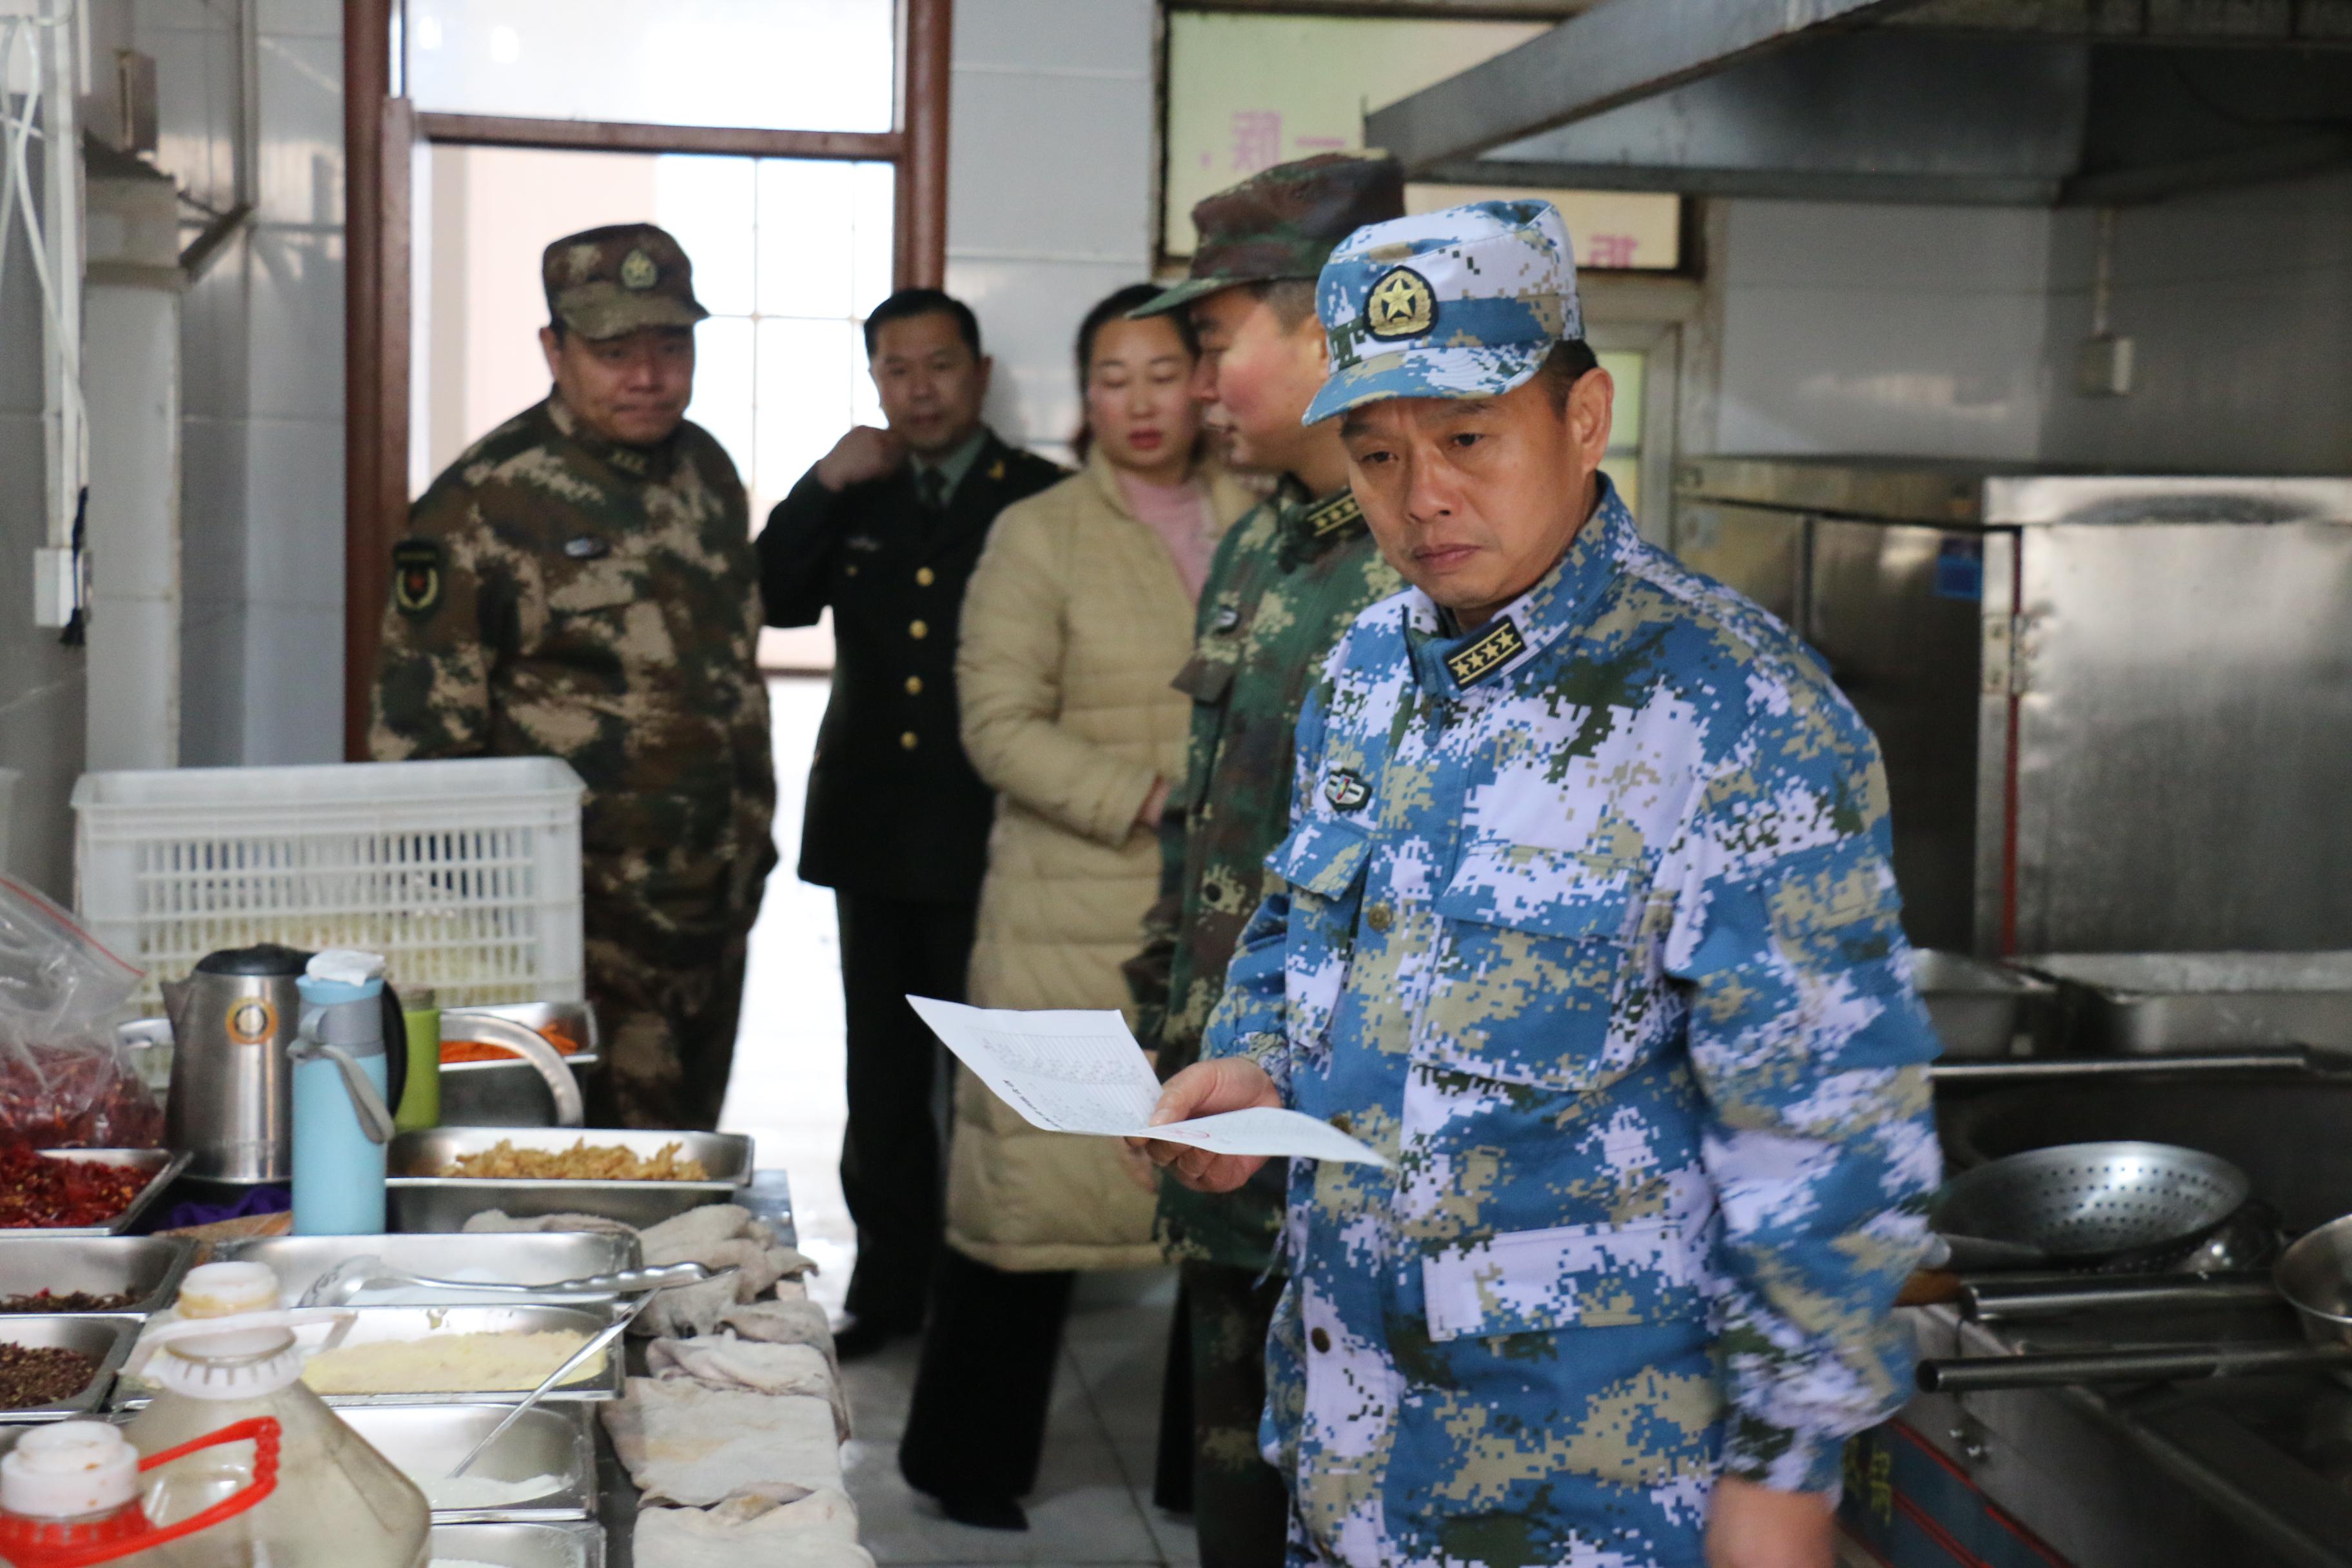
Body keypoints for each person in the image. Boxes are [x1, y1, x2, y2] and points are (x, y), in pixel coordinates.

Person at [1138, 200, 1943, 1568]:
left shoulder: (1732, 707)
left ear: (1584, 419)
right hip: (1352, 1459)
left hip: (1594, 1494)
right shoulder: (1370, 667)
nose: (1421, 496)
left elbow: (1830, 1126)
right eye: (1378, 453)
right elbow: (1295, 924)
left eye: (1468, 439)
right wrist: (1258, 1064)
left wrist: (1784, 1477)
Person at [894, 282, 1256, 1531]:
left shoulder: (1266, 520)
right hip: (1072, 905)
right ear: (1083, 396)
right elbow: (996, 724)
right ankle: (966, 1462)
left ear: (1202, 385)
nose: (1140, 404)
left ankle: (1200, 1474)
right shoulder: (1037, 532)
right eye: (1112, 379)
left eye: (1163, 374)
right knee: (1030, 1188)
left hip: (1228, 920)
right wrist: (1148, 798)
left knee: (1220, 1191)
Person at [1119, 152, 1406, 1567]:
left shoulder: (1419, 570)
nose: (1199, 386)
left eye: (1216, 341)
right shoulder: (1264, 553)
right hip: (1221, 1115)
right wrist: (1159, 1016)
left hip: (1336, 1148)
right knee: (1234, 1493)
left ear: (1325, 326)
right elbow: (1212, 827)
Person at [371, 223, 775, 1132]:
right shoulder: (481, 505)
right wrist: (498, 951)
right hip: (581, 937)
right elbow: (420, 756)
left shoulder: (707, 470)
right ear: (554, 351)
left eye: (672, 346)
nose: (649, 376)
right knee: (601, 1175)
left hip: (712, 909)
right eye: (614, 352)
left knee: (686, 1153)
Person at [757, 288, 1064, 1360]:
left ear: (981, 375)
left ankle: (987, 1294)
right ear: (876, 383)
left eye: (939, 365)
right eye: (897, 369)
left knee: (994, 1078)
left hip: (997, 834)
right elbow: (775, 597)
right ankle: (888, 1288)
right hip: (876, 834)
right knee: (882, 1079)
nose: (920, 388)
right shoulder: (859, 491)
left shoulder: (1040, 498)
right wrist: (821, 482)